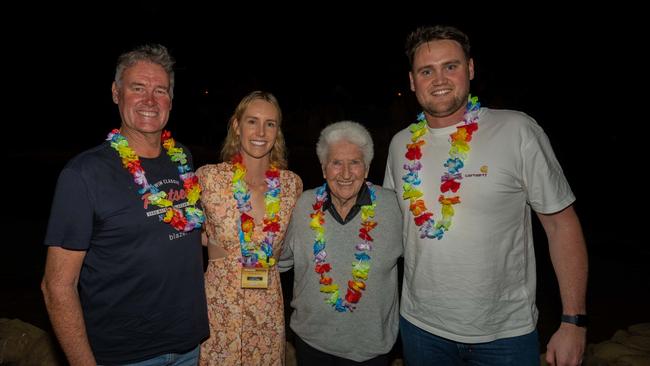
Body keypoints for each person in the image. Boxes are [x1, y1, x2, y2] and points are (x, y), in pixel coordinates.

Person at [383, 25, 588, 366]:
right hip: (420, 330)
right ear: (412, 80)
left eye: (451, 66)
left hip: (504, 335)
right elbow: (390, 231)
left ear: (471, 69)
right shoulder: (400, 145)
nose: (440, 79)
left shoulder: (516, 130)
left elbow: (561, 226)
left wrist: (573, 321)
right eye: (426, 70)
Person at [41, 44, 209, 365]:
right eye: (137, 88)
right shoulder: (84, 174)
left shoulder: (182, 158)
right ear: (116, 93)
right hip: (124, 354)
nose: (149, 100)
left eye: (160, 90)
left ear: (171, 101)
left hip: (188, 344)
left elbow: (190, 230)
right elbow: (57, 286)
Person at [280, 121, 403, 365]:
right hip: (311, 343)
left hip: (371, 350)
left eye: (354, 162)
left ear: (366, 168)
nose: (346, 174)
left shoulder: (393, 207)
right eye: (336, 163)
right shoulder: (303, 205)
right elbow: (280, 261)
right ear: (324, 169)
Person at [196, 90, 303, 365]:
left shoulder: (291, 186)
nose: (261, 131)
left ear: (277, 131)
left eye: (270, 123)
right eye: (252, 121)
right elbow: (184, 229)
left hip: (267, 313)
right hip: (219, 312)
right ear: (236, 125)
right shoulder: (208, 179)